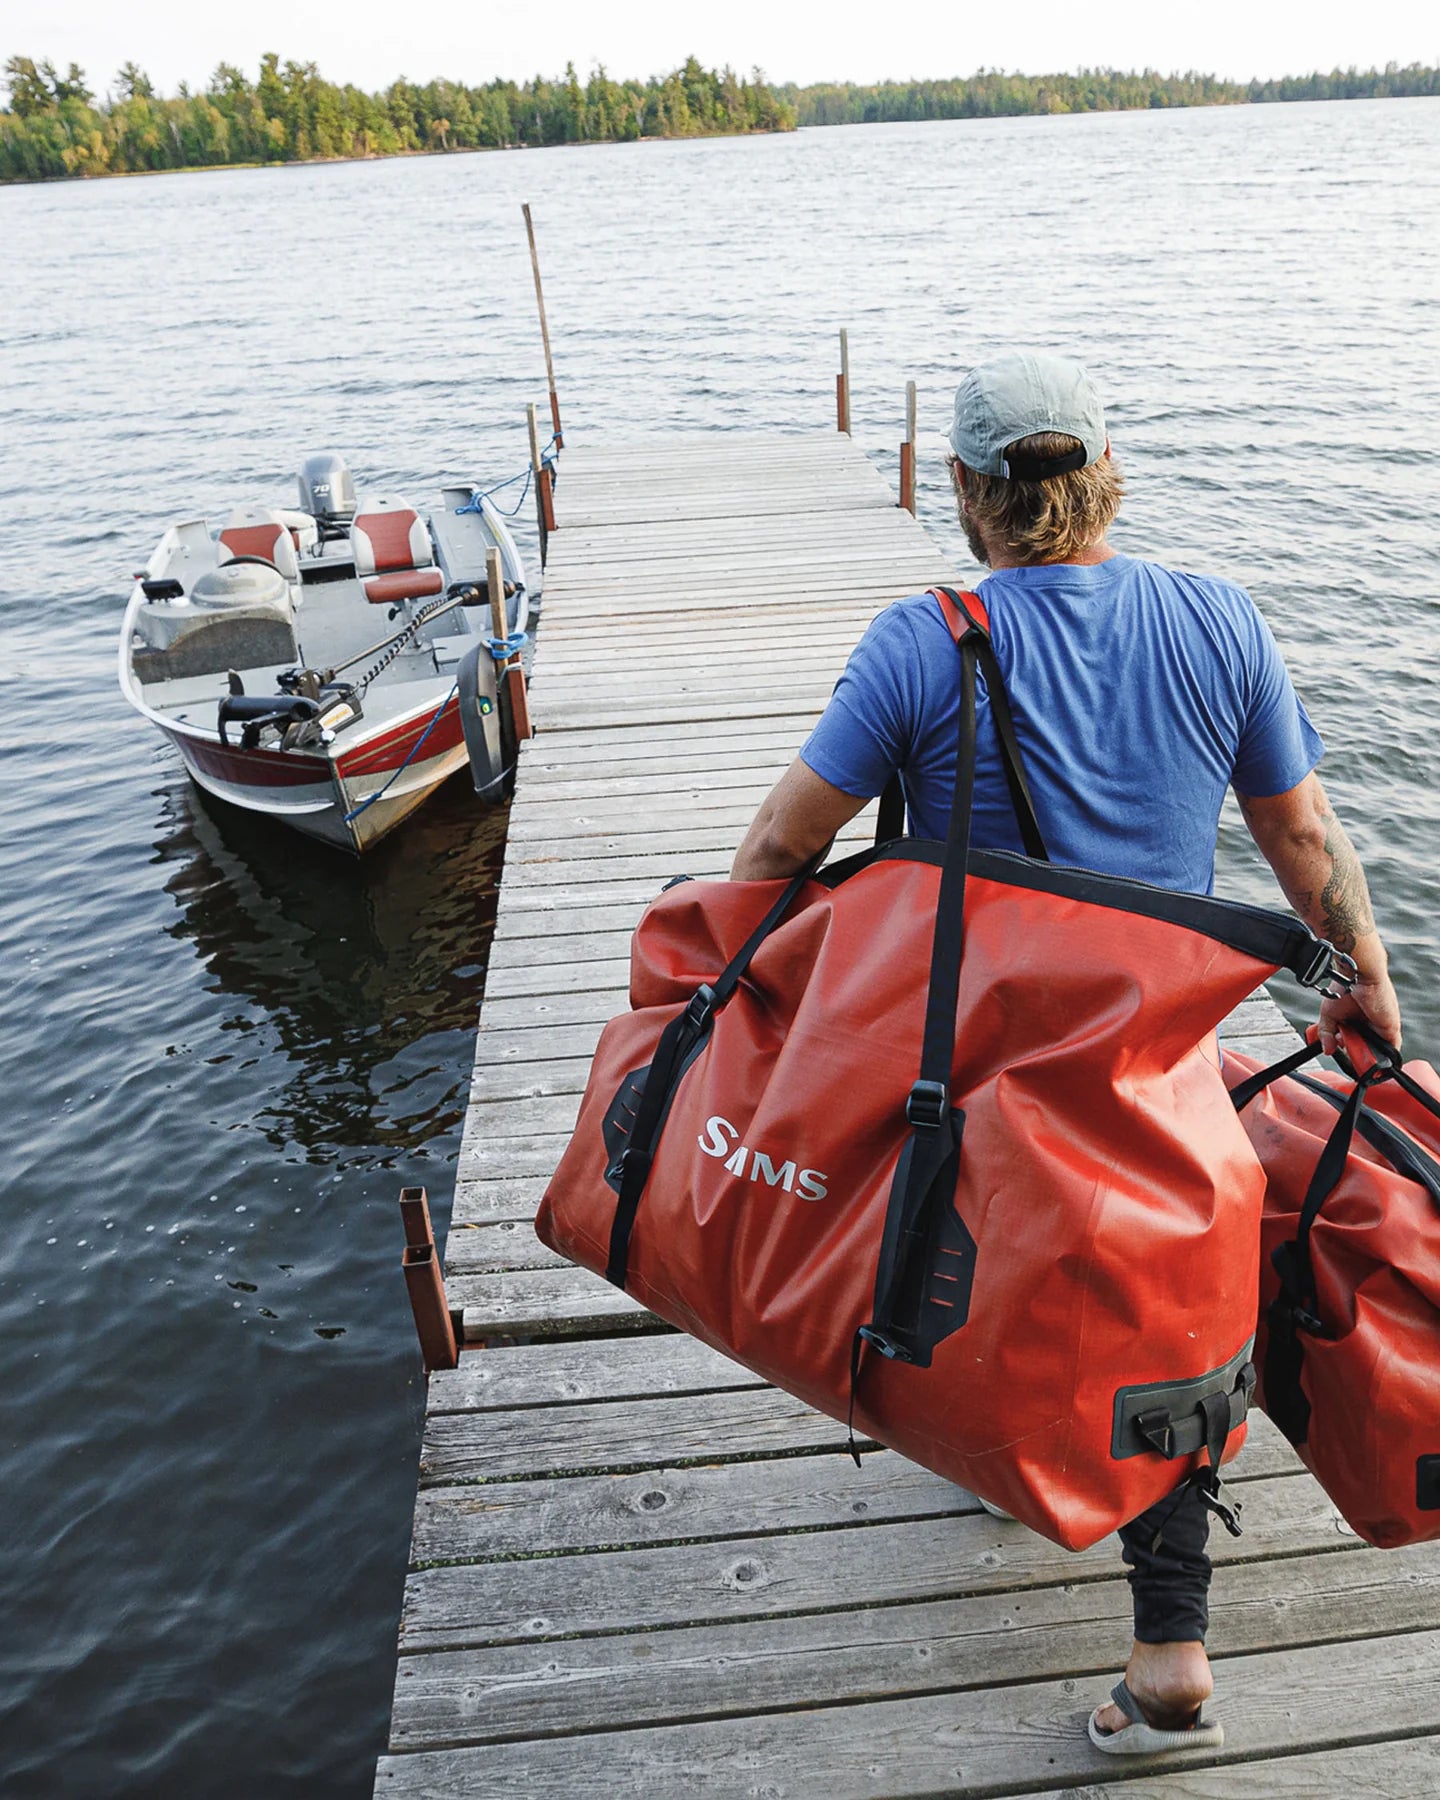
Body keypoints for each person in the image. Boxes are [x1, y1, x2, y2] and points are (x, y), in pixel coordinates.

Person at [729, 350, 1402, 1755]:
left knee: (962, 1243)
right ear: (1107, 474)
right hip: (1174, 1066)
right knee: (1170, 1304)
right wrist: (1369, 986)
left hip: (983, 1073)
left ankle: (1003, 1452)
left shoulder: (925, 641)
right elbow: (1301, 843)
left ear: (969, 495)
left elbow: (784, 848)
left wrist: (744, 993)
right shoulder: (1220, 621)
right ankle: (1171, 1653)